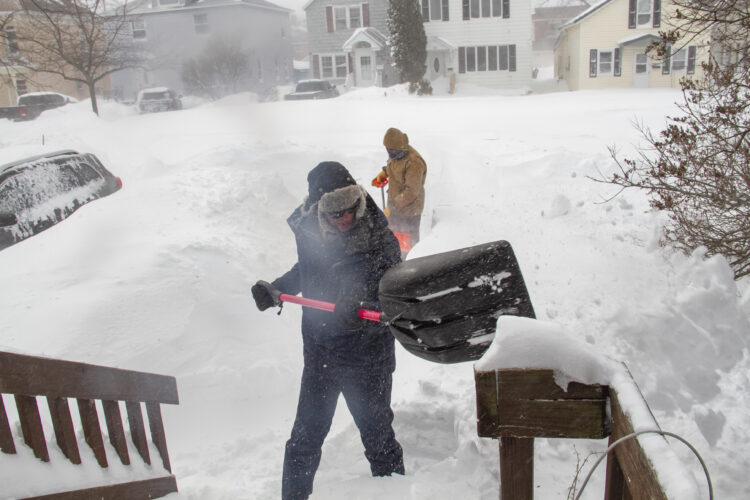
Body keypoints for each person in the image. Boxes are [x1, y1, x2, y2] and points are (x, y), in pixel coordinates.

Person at [251, 161, 405, 500]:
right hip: (320, 354)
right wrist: (276, 287)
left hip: (367, 358)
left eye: (351, 208)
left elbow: (393, 288)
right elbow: (307, 269)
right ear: (319, 211)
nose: (345, 218)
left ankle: (394, 493)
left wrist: (363, 303)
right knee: (303, 441)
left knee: (378, 438)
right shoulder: (309, 230)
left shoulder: (380, 238)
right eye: (335, 214)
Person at [371, 127, 427, 257]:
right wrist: (384, 173)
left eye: (392, 150)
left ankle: (409, 263)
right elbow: (395, 165)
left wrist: (392, 206)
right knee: (394, 239)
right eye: (387, 149)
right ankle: (396, 259)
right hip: (395, 207)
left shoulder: (414, 162)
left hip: (409, 211)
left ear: (400, 148)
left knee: (408, 244)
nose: (389, 152)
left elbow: (411, 192)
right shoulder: (397, 153)